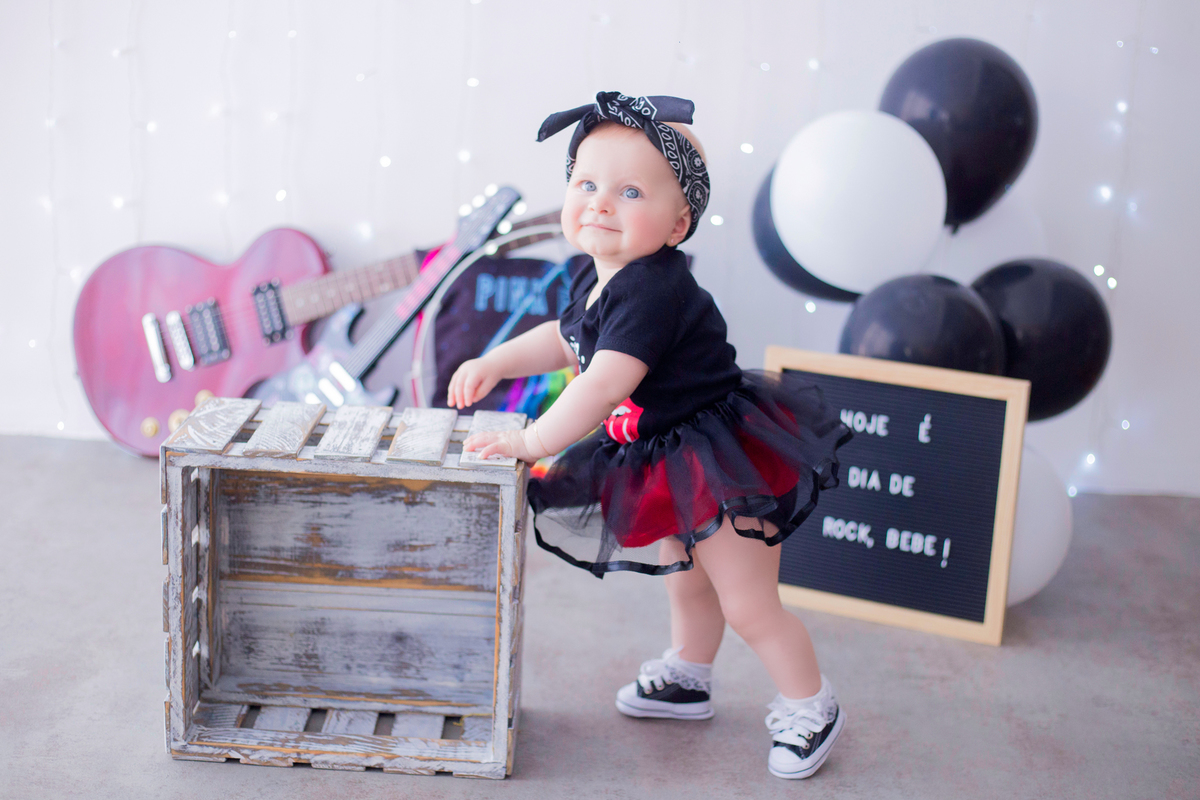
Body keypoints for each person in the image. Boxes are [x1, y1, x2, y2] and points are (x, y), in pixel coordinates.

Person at [448, 92, 851, 780]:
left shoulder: (654, 291)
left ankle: (810, 702)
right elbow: (566, 338)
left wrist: (529, 442)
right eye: (586, 183)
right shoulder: (598, 272)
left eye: (630, 190)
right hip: (669, 453)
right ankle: (690, 674)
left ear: (678, 222)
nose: (600, 202)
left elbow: (603, 381)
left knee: (748, 601)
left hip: (722, 458)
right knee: (685, 580)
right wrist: (495, 360)